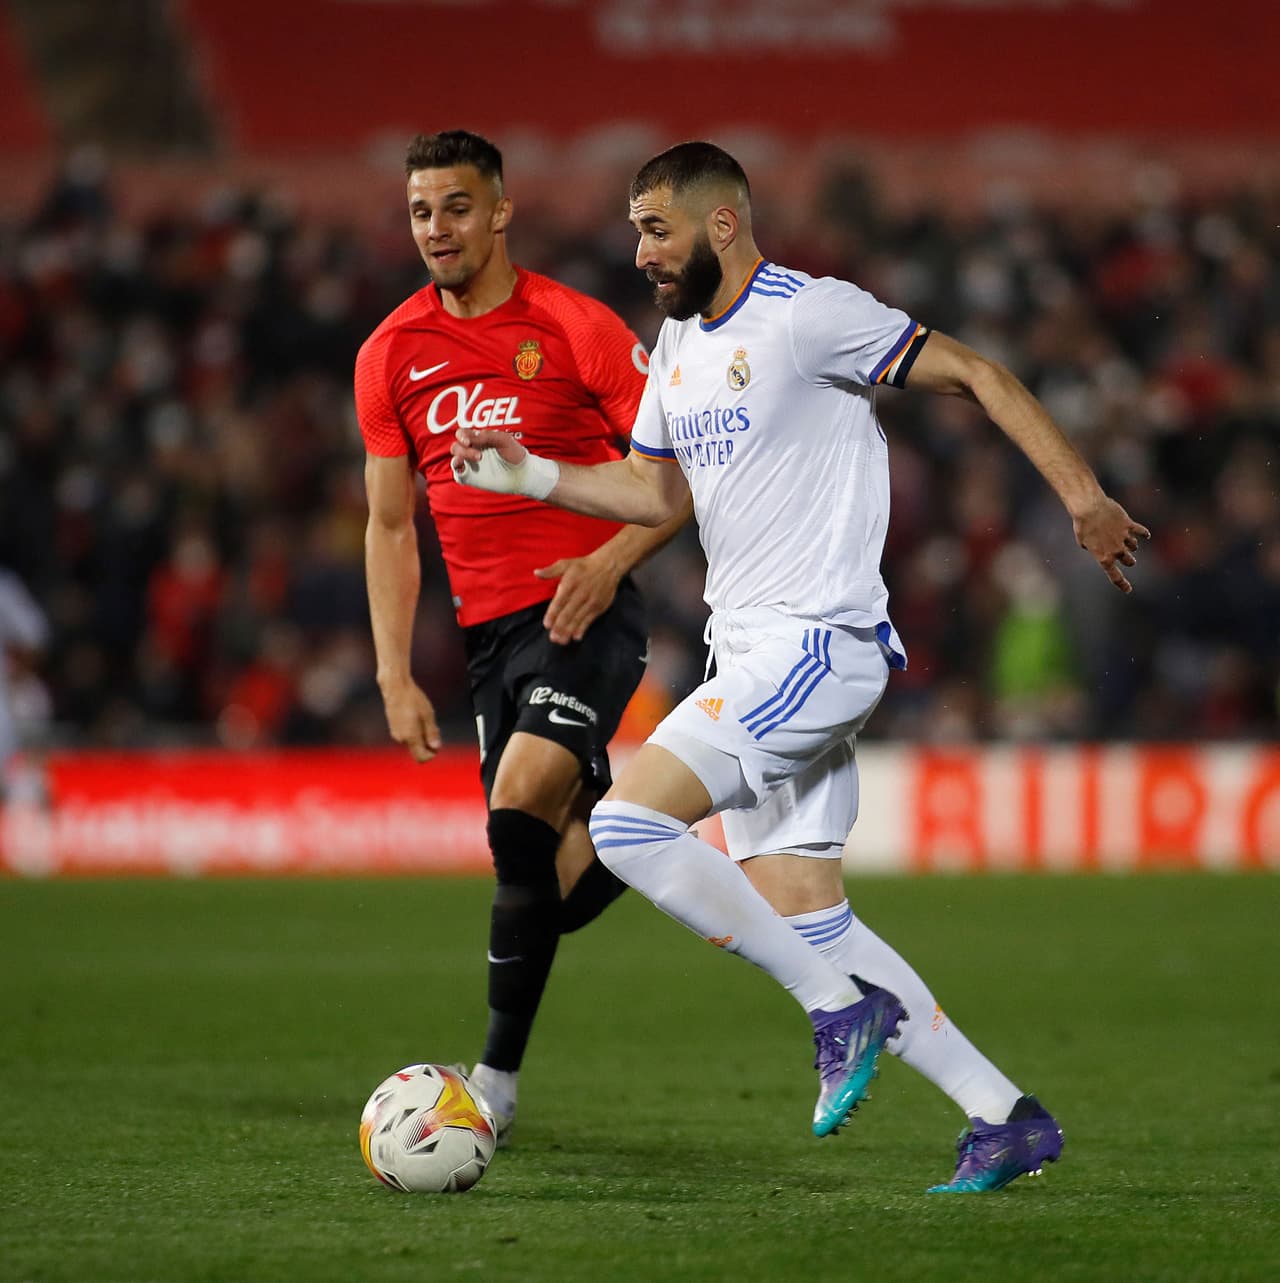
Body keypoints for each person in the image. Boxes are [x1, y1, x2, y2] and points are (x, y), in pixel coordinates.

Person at [451, 141, 1150, 1193]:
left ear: (718, 225)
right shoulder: (678, 343)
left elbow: (974, 371)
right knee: (803, 910)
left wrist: (1080, 494)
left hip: (814, 643)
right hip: (757, 651)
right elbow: (652, 496)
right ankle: (1002, 1114)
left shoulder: (807, 312)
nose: (638, 249)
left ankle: (834, 1009)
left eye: (655, 228)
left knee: (626, 825)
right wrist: (532, 471)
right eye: (634, 228)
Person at [355, 131, 688, 1145]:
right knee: (536, 864)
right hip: (488, 640)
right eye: (420, 211)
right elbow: (386, 524)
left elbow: (679, 478)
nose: (436, 229)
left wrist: (606, 562)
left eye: (455, 206)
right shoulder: (389, 353)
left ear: (499, 211)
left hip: (583, 607)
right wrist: (393, 673)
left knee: (518, 805)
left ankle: (491, 1081)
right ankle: (650, 827)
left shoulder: (573, 326)